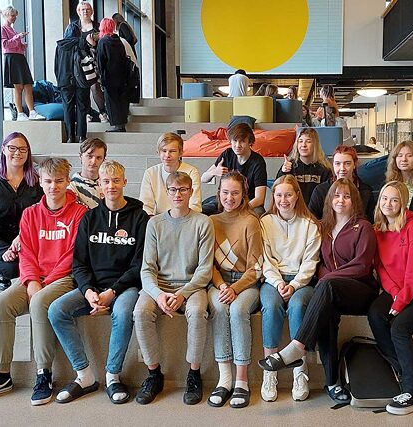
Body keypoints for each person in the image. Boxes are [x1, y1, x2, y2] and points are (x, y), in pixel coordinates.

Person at [0, 158, 87, 406]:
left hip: (65, 278)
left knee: (40, 301)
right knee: (2, 304)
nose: (53, 186)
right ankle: (1, 375)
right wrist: (32, 280)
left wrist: (45, 283)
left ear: (68, 181)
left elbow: (74, 255)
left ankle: (44, 374)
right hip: (36, 278)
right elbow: (27, 253)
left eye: (59, 181)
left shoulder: (80, 213)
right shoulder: (30, 214)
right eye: (48, 181)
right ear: (40, 182)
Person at [259, 179, 378, 405]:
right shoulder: (325, 227)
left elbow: (362, 266)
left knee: (324, 289)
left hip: (360, 290)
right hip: (332, 291)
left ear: (354, 200)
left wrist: (328, 279)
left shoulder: (363, 227)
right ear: (329, 200)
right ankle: (332, 382)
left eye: (346, 196)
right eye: (336, 196)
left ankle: (297, 347)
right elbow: (321, 263)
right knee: (326, 316)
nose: (341, 200)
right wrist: (326, 279)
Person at [48, 160, 148, 405]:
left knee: (123, 312)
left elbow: (139, 265)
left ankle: (113, 376)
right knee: (56, 310)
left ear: (125, 182)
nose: (111, 186)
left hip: (126, 287)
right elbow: (79, 263)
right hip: (93, 288)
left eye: (116, 181)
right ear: (100, 186)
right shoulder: (90, 218)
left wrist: (112, 292)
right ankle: (84, 375)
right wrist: (88, 291)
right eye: (106, 181)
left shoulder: (140, 218)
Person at [134, 172, 215, 405]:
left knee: (197, 312)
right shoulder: (154, 224)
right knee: (140, 312)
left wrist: (182, 294)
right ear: (166, 192)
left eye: (183, 189)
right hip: (159, 285)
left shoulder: (203, 223)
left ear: (191, 191)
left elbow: (204, 270)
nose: (177, 194)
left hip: (192, 286)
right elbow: (147, 269)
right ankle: (154, 374)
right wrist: (159, 295)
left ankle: (194, 373)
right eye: (173, 190)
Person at [367, 181, 413, 415]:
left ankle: (412, 392)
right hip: (397, 289)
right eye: (384, 198)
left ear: (403, 204)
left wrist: (401, 301)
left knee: (399, 327)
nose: (388, 204)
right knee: (375, 314)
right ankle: (400, 370)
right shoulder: (378, 230)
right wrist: (394, 291)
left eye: (394, 200)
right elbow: (381, 268)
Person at [259, 175, 321, 402]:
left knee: (297, 306)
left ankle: (300, 371)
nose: (283, 200)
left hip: (301, 281)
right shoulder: (265, 222)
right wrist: (278, 283)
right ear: (273, 197)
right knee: (271, 305)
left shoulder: (310, 225)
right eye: (278, 195)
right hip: (272, 280)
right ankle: (269, 371)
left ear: (297, 196)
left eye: (288, 195)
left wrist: (294, 285)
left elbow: (310, 262)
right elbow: (264, 259)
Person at [206, 172, 263, 408]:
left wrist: (235, 288)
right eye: (225, 192)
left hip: (246, 282)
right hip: (219, 281)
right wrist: (222, 285)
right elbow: (208, 264)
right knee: (220, 308)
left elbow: (256, 268)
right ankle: (224, 379)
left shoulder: (251, 221)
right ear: (219, 193)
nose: (229, 198)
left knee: (238, 310)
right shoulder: (211, 221)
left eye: (235, 193)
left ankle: (241, 381)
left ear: (243, 195)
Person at [0, 132, 43, 291]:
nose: (18, 153)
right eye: (12, 148)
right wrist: (3, 249)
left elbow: (42, 215)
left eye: (23, 149)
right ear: (3, 149)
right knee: (11, 268)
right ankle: (0, 273)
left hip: (29, 236)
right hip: (0, 238)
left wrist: (22, 239)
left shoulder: (37, 183)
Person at [58, 1, 101, 143]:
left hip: (75, 75)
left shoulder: (97, 27)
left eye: (87, 9)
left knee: (75, 106)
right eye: (82, 9)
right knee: (76, 106)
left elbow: (57, 65)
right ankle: (76, 135)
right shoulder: (77, 36)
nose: (85, 11)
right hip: (76, 75)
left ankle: (76, 136)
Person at [201, 123, 267, 214]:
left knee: (259, 213)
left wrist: (236, 211)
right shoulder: (227, 154)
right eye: (235, 141)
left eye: (242, 141)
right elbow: (203, 179)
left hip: (247, 203)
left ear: (250, 142)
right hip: (226, 200)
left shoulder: (258, 162)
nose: (237, 145)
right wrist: (214, 172)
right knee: (201, 211)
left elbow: (259, 199)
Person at [139, 132, 202, 215]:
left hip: (186, 218)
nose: (167, 155)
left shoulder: (192, 172)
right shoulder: (150, 173)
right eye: (164, 151)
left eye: (172, 151)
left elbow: (195, 206)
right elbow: (146, 207)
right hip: (159, 219)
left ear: (180, 153)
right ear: (158, 152)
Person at [0, 6, 43, 121]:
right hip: (12, 58)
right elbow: (5, 45)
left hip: (19, 57)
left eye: (15, 16)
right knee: (18, 87)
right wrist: (17, 37)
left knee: (28, 84)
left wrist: (22, 45)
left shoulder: (12, 30)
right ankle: (20, 113)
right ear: (6, 16)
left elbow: (13, 44)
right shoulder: (3, 29)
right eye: (12, 15)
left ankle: (32, 111)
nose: (14, 18)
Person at [307, 145, 373, 220]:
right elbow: (311, 220)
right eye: (337, 163)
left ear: (354, 165)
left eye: (347, 163)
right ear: (333, 165)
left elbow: (370, 221)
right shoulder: (321, 190)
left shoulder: (365, 191)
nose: (342, 168)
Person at [277, 128, 332, 204]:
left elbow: (328, 196)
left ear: (315, 145)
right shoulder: (289, 166)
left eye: (308, 141)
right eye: (300, 141)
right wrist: (283, 173)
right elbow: (278, 190)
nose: (303, 145)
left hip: (316, 209)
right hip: (293, 208)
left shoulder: (324, 169)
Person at [96, 18, 131, 132]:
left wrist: (101, 78)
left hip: (109, 77)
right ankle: (122, 124)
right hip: (121, 76)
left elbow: (100, 62)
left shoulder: (103, 42)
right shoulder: (118, 41)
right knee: (120, 100)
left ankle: (116, 125)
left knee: (111, 101)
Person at [69, 138, 106, 209]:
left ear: (103, 160)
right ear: (80, 156)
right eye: (89, 156)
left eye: (98, 158)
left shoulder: (108, 184)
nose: (93, 161)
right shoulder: (71, 187)